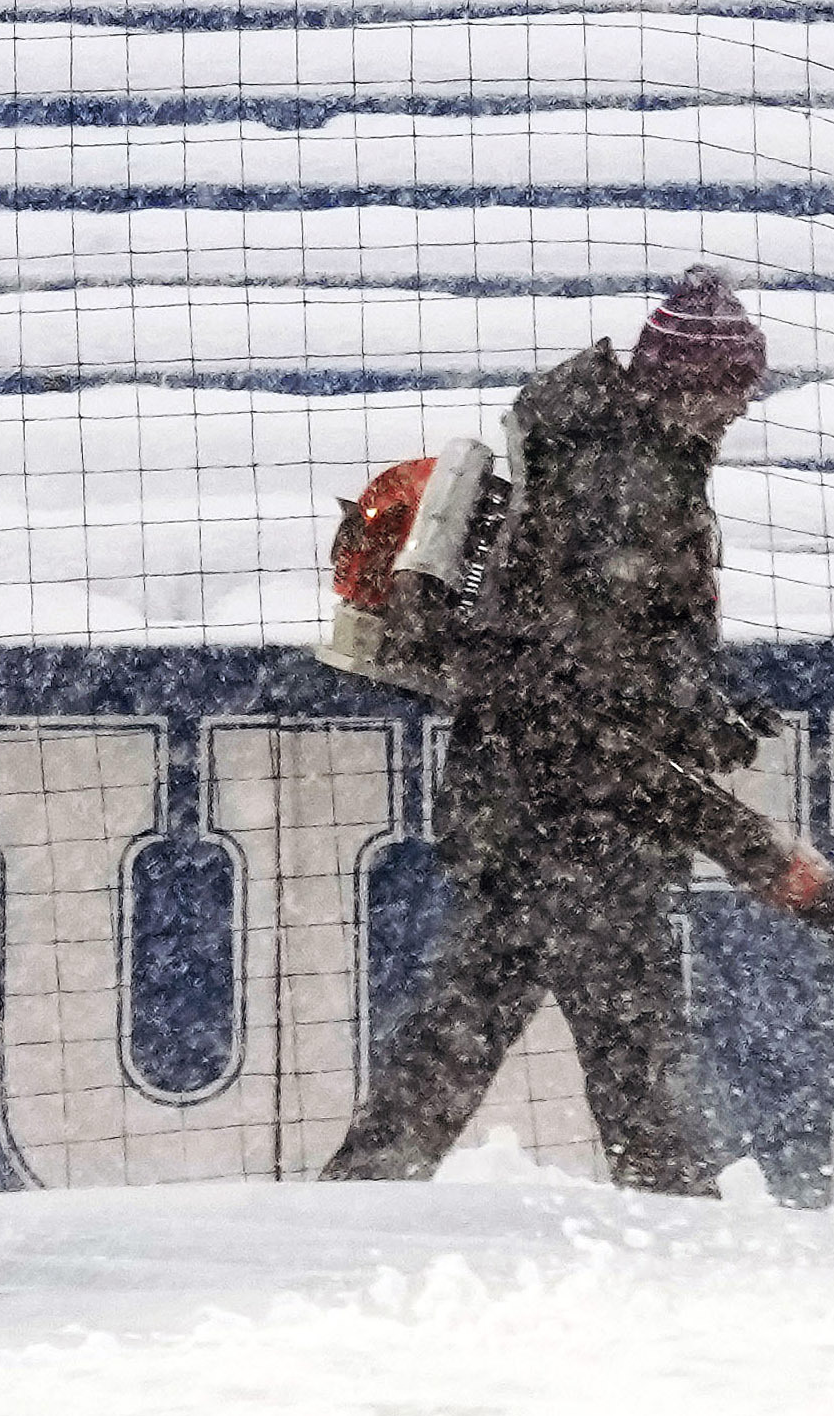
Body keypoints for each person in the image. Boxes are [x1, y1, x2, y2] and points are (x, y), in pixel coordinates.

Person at [327, 271, 775, 1190]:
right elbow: (589, 660)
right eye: (727, 392)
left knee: (470, 1036)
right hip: (579, 813)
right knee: (630, 1045)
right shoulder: (622, 476)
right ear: (680, 381)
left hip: (532, 805)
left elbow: (593, 649)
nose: (734, 414)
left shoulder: (602, 450)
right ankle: (675, 1219)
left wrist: (702, 712)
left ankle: (359, 1197)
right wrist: (681, 718)